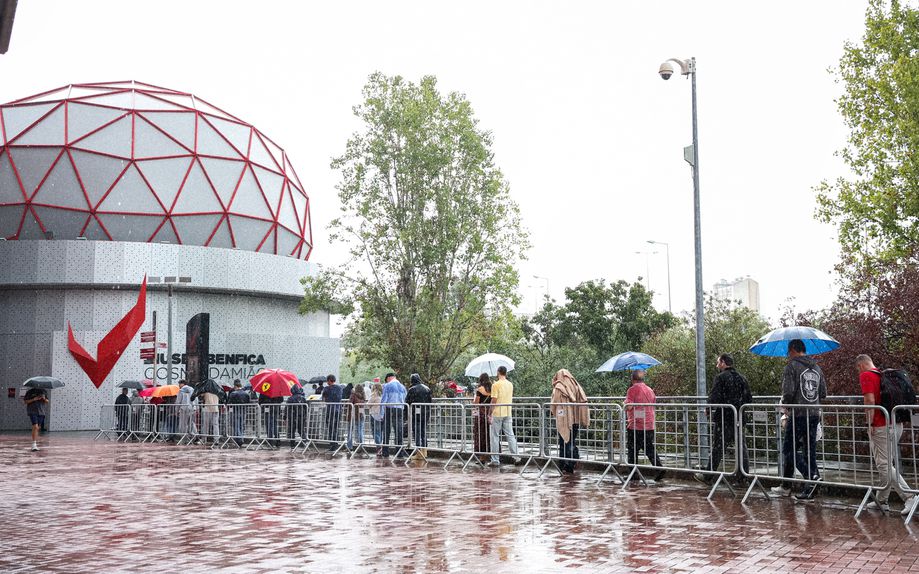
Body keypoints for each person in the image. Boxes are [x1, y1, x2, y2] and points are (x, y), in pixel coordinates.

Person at [856, 354, 918, 515]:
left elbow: (869, 400)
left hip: (880, 426)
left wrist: (869, 423)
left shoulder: (866, 375)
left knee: (883, 465)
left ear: (861, 365)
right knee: (885, 464)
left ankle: (909, 497)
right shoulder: (884, 375)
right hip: (896, 423)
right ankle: (881, 500)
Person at [772, 338, 828, 500]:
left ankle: (811, 476)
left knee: (789, 450)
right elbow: (823, 392)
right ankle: (810, 490)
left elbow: (788, 392)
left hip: (798, 414)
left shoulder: (792, 366)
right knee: (809, 451)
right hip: (814, 414)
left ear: (793, 350)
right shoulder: (817, 367)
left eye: (789, 352)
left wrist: (787, 406)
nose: (788, 355)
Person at [695, 353, 752, 484]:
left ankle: (708, 476)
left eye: (718, 362)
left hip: (724, 419)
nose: (717, 365)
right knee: (741, 448)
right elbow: (749, 398)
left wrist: (708, 408)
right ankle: (743, 478)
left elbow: (714, 396)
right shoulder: (742, 378)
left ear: (723, 362)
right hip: (739, 418)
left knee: (718, 448)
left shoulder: (721, 378)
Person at [624, 369, 665, 481]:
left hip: (636, 425)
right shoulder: (650, 390)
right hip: (649, 424)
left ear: (632, 379)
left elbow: (629, 407)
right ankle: (659, 468)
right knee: (649, 448)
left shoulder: (632, 390)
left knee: (632, 451)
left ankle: (633, 473)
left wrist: (624, 403)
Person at [550, 369, 590, 474]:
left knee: (564, 441)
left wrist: (552, 412)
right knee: (571, 440)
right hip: (575, 418)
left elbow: (554, 403)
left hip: (564, 419)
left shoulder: (559, 387)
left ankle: (564, 464)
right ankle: (572, 462)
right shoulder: (576, 385)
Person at [489, 366, 521, 466]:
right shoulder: (510, 384)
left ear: (498, 372)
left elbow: (494, 400)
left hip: (497, 413)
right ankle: (516, 457)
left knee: (494, 436)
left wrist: (490, 413)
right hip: (508, 412)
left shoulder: (496, 385)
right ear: (506, 373)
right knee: (510, 435)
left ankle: (495, 460)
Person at [405, 374, 433, 459]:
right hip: (426, 413)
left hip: (416, 414)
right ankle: (425, 452)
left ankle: (419, 452)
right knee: (423, 432)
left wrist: (406, 415)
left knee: (417, 432)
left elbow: (407, 402)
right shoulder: (427, 388)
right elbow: (430, 401)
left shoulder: (412, 389)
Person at [380, 373, 407, 457]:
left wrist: (381, 413)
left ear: (388, 378)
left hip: (389, 409)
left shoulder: (387, 386)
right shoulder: (402, 387)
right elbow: (405, 399)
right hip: (399, 409)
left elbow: (384, 400)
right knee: (398, 431)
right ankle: (399, 452)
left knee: (386, 430)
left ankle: (385, 451)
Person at [472, 373, 492, 461]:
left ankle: (482, 457)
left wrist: (473, 400)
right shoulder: (492, 389)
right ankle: (492, 455)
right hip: (490, 413)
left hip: (481, 414)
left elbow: (476, 403)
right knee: (490, 434)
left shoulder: (480, 389)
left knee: (480, 434)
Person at [321, 374, 344, 451]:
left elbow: (323, 398)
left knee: (330, 427)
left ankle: (332, 444)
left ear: (328, 381)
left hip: (330, 410)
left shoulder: (326, 388)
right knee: (336, 426)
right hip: (338, 410)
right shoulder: (339, 388)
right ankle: (335, 443)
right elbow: (340, 397)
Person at [24, 387, 49, 451]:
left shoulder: (43, 391)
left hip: (41, 412)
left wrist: (44, 399)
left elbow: (47, 401)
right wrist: (34, 399)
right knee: (35, 426)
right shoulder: (30, 392)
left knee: (37, 428)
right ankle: (34, 445)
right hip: (32, 411)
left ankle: (34, 443)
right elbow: (25, 401)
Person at [227, 379, 250, 446]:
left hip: (235, 410)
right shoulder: (245, 394)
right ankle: (241, 438)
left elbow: (229, 402)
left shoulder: (233, 393)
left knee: (236, 425)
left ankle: (239, 439)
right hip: (243, 411)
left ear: (235, 386)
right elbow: (248, 402)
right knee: (241, 425)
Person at [347, 383, 367, 450]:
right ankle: (360, 446)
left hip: (353, 415)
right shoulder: (363, 396)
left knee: (350, 430)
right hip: (361, 414)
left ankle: (349, 446)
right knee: (360, 430)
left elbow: (349, 404)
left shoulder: (353, 395)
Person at [368, 381, 385, 455]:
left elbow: (368, 404)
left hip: (375, 415)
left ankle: (379, 447)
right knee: (380, 432)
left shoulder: (374, 396)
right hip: (382, 415)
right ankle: (381, 446)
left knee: (375, 432)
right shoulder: (383, 395)